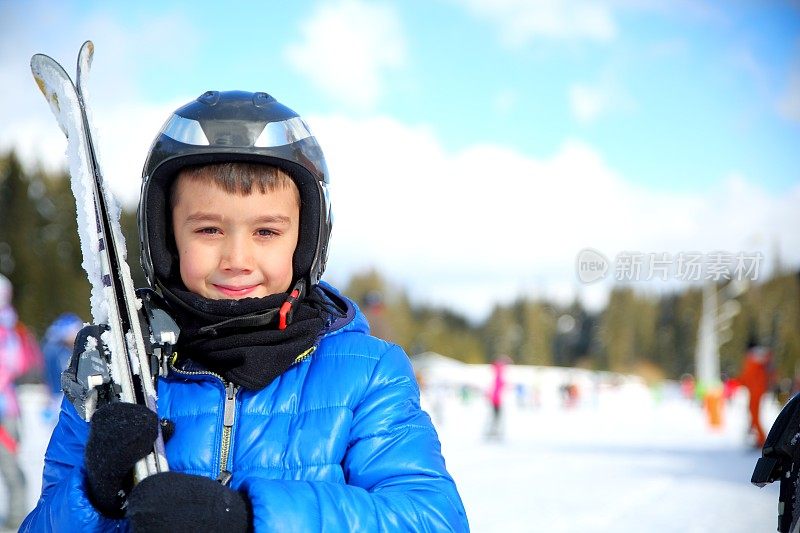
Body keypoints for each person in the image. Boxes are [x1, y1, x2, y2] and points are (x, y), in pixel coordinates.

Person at [21, 91, 469, 532]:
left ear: (306, 239)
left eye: (266, 231)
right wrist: (91, 495)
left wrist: (249, 518)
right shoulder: (117, 376)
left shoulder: (369, 373)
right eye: (210, 229)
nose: (237, 257)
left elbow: (431, 519)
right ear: (165, 238)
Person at [0, 274, 41, 529]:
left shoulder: (10, 329)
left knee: (10, 465)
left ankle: (16, 521)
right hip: (7, 407)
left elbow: (19, 363)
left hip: (6, 410)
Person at [40, 313, 83, 421]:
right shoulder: (55, 351)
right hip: (60, 397)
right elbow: (50, 376)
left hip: (66, 397)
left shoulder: (56, 350)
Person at [738, 339, 774, 448]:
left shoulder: (755, 356)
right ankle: (759, 437)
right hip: (754, 390)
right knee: (753, 414)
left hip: (756, 390)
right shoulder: (753, 357)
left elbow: (767, 358)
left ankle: (762, 440)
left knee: (755, 415)